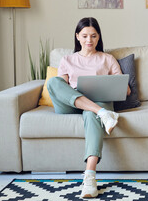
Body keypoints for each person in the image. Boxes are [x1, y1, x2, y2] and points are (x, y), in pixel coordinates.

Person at [47, 17, 131, 198]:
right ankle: (103, 113)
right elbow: (60, 87)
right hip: (71, 103)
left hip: (99, 101)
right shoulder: (67, 59)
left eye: (93, 36)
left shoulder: (107, 59)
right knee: (54, 82)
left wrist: (108, 86)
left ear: (99, 37)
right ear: (77, 36)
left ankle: (90, 177)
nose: (89, 40)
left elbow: (126, 89)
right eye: (84, 36)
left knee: (92, 114)